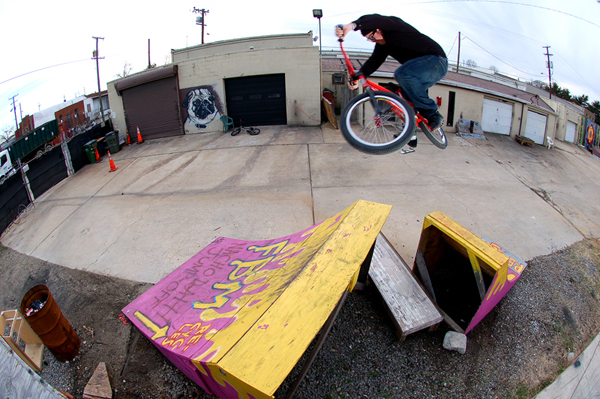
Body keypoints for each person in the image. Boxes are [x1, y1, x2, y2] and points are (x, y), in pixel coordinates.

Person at [336, 14, 448, 136]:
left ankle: (433, 114)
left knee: (402, 74)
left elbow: (376, 19)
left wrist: (352, 26)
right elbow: (373, 62)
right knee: (403, 97)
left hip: (436, 61)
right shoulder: (383, 46)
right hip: (423, 72)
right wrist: (357, 77)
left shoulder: (395, 27)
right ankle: (410, 134)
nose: (373, 40)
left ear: (378, 29)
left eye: (372, 36)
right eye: (370, 39)